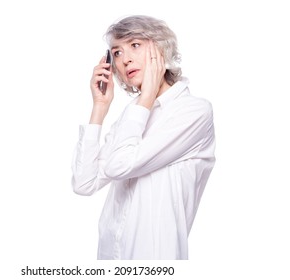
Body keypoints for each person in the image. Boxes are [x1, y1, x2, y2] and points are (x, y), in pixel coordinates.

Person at [71, 15, 216, 260]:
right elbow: (84, 183)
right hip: (110, 257)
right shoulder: (133, 115)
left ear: (161, 49)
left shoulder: (193, 111)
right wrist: (99, 108)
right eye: (116, 53)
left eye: (135, 45)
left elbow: (120, 166)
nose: (125, 59)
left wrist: (146, 96)